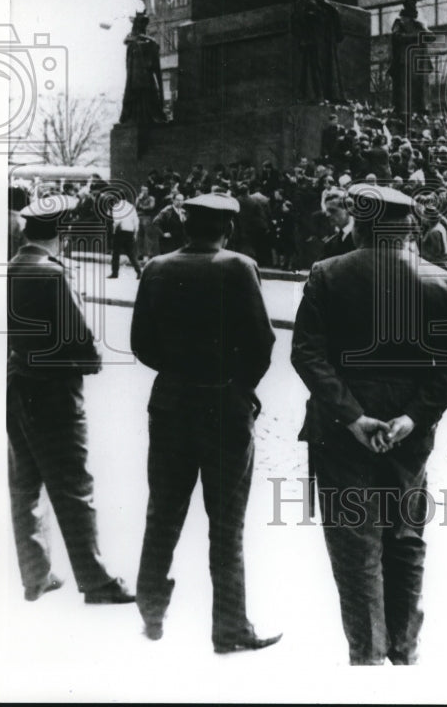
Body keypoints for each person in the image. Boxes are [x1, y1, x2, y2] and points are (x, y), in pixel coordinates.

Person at [291, 184, 447, 665]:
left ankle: (367, 657)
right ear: (407, 227)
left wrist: (352, 417)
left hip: (340, 431)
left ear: (362, 224)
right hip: (408, 435)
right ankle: (404, 648)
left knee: (355, 545)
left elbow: (307, 354)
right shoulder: (438, 281)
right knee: (406, 538)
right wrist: (413, 417)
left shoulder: (327, 274)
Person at [130, 193, 280, 652]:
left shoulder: (156, 268)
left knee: (163, 513)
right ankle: (230, 627)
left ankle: (151, 611)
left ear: (185, 226)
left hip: (172, 403)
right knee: (226, 523)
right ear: (228, 229)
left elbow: (141, 343)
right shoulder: (239, 267)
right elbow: (261, 342)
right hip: (224, 407)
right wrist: (237, 387)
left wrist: (179, 372)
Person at [7, 196, 135, 605]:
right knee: (74, 485)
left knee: (25, 482)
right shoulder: (52, 274)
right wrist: (92, 362)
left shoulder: (9, 268)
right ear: (60, 234)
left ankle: (36, 573)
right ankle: (96, 580)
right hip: (55, 391)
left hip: (17, 383)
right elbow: (81, 339)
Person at [292, 0, 345, 103]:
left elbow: (338, 30)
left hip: (326, 43)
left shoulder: (327, 6)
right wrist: (303, 38)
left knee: (328, 70)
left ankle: (329, 96)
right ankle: (314, 96)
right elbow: (297, 20)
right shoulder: (304, 1)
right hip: (313, 42)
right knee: (313, 70)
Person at [119, 12, 165, 127]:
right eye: (141, 24)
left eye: (144, 25)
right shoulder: (137, 43)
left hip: (142, 81)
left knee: (147, 101)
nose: (143, 27)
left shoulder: (148, 43)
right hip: (138, 81)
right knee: (141, 103)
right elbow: (129, 66)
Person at [389, 0, 428, 119]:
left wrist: (418, 34)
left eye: (414, 5)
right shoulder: (399, 22)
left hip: (418, 61)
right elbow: (397, 36)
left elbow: (430, 36)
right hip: (404, 60)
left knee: (419, 87)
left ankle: (420, 110)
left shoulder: (419, 24)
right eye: (410, 4)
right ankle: (403, 111)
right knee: (404, 87)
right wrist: (415, 36)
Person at [109, 197, 142, 279]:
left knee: (116, 253)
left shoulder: (117, 207)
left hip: (120, 231)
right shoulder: (131, 207)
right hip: (130, 231)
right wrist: (135, 232)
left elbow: (117, 221)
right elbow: (136, 220)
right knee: (131, 253)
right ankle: (139, 271)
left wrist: (113, 231)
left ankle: (115, 273)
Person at [320, 188, 355, 258]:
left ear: (348, 210)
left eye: (332, 211)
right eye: (326, 211)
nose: (327, 215)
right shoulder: (330, 244)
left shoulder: (363, 239)